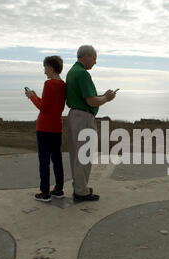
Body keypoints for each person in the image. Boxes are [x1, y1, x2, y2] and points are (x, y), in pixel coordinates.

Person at [66, 45, 116, 202]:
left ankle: (79, 186)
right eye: (94, 58)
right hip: (84, 118)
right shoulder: (82, 74)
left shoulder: (72, 71)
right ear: (85, 56)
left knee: (76, 154)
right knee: (84, 155)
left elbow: (85, 97)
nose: (95, 62)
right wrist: (106, 98)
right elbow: (91, 101)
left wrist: (102, 96)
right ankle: (81, 192)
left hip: (74, 116)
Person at [25, 55, 66, 202]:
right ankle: (59, 189)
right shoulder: (62, 84)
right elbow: (50, 105)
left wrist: (31, 97)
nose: (44, 71)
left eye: (45, 68)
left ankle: (45, 192)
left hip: (44, 128)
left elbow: (43, 107)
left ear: (51, 67)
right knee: (57, 159)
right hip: (56, 127)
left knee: (44, 161)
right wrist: (36, 96)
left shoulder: (49, 84)